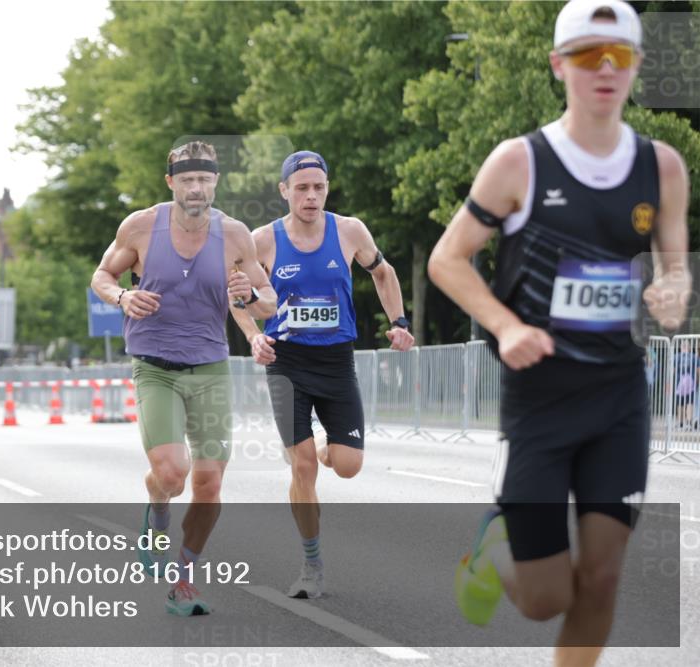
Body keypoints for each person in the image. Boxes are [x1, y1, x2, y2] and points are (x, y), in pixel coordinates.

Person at [427, 2, 691, 664]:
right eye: (587, 55)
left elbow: (674, 265)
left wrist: (673, 290)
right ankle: (494, 548)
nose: (605, 69)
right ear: (558, 65)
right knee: (545, 598)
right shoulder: (520, 163)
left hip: (618, 396)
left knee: (601, 576)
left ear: (635, 66)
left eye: (619, 56)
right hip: (540, 399)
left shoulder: (662, 168)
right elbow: (447, 259)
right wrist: (506, 324)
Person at [91, 140, 277, 615]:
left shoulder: (235, 235)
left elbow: (268, 301)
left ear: (216, 182)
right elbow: (102, 276)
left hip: (210, 368)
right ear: (171, 182)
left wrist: (249, 295)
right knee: (172, 474)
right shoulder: (140, 226)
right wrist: (122, 298)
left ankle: (184, 580)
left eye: (205, 179)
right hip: (155, 367)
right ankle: (157, 510)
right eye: (188, 179)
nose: (197, 188)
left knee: (210, 483)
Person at [230, 150, 415, 599]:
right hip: (287, 363)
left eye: (318, 187)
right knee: (304, 467)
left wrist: (399, 322)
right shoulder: (262, 241)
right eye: (302, 188)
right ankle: (311, 564)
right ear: (284, 191)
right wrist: (254, 336)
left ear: (327, 189)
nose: (311, 196)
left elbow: (384, 273)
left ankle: (316, 447)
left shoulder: (350, 231)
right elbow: (235, 295)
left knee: (348, 466)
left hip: (336, 362)